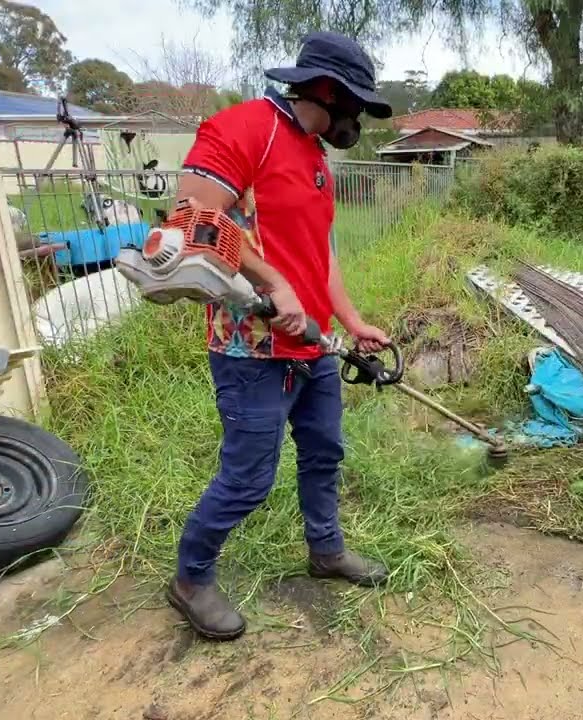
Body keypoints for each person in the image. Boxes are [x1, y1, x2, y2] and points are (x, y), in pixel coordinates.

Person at [166, 32, 394, 640]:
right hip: (253, 348)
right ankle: (190, 579)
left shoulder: (315, 157)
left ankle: (327, 551)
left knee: (324, 454)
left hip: (314, 345)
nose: (359, 121)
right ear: (328, 92)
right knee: (247, 480)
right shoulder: (244, 129)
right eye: (358, 105)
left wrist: (351, 321)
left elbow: (322, 254)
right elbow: (190, 219)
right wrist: (272, 282)